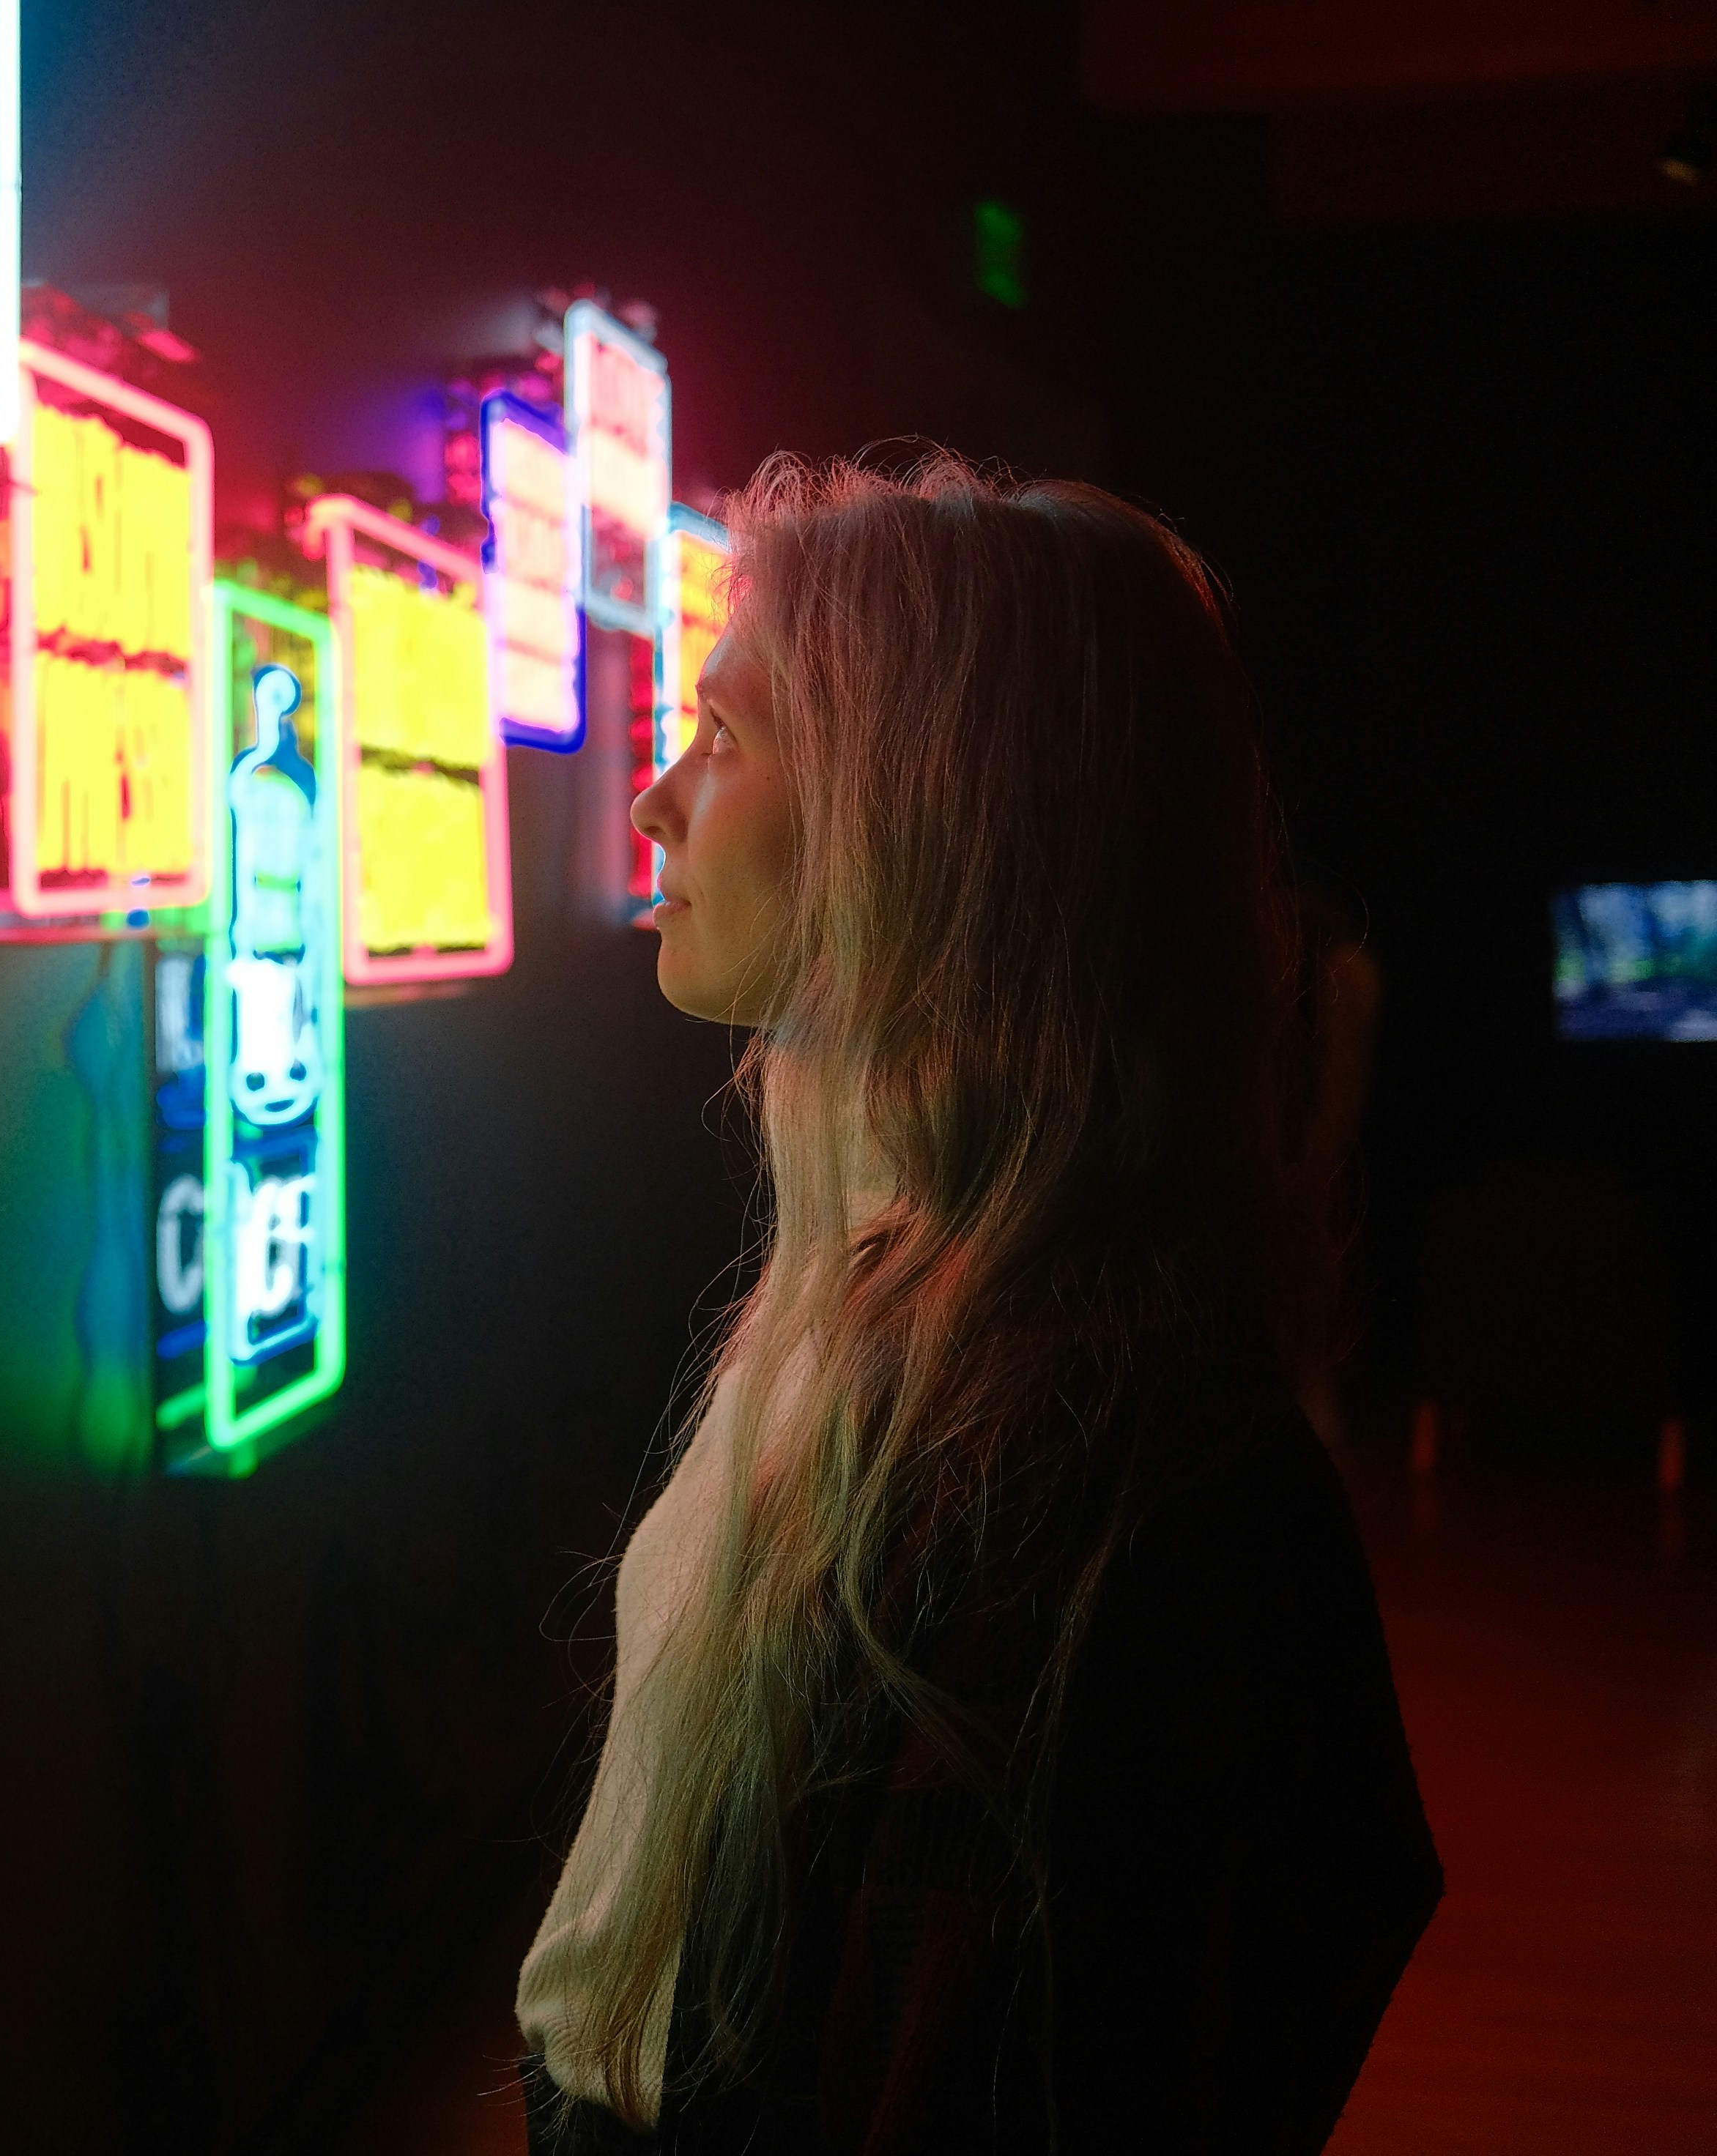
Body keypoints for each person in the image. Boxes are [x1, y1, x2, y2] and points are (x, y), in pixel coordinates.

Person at [519, 456, 1440, 2154]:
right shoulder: (893, 1293)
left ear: (934, 814)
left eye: (728, 735)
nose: (655, 801)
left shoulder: (1116, 1461)